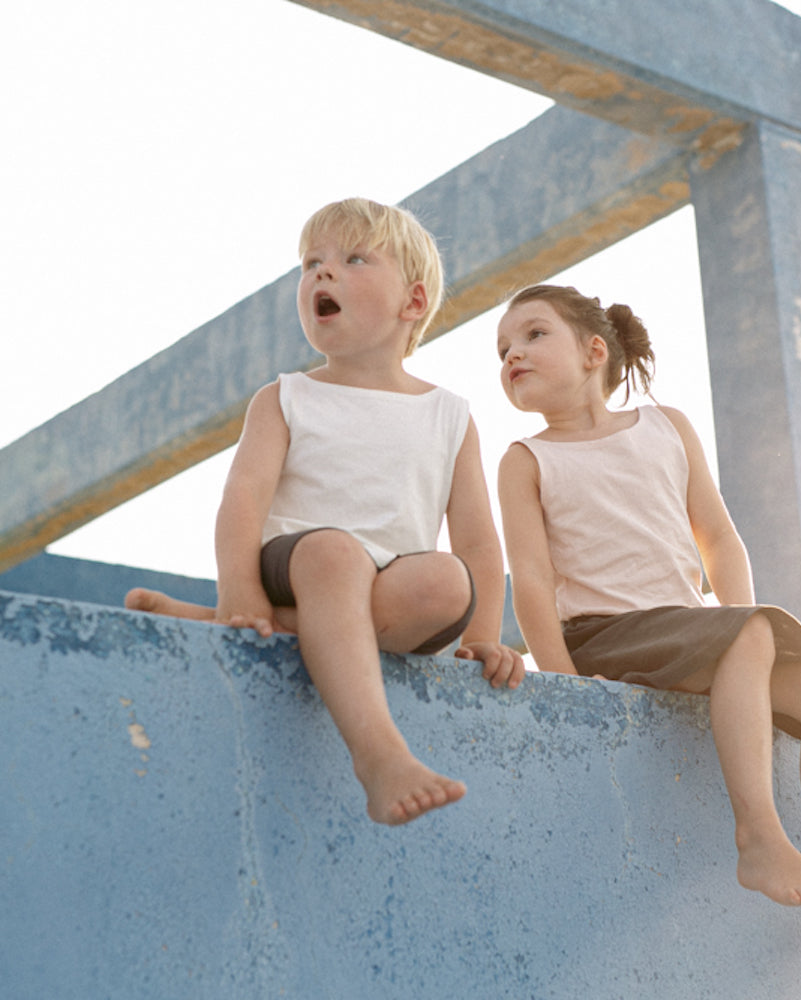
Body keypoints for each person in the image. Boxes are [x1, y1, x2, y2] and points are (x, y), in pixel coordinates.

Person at [495, 283, 801, 998]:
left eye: (531, 335)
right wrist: (562, 682)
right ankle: (759, 838)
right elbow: (529, 580)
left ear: (593, 351)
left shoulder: (666, 426)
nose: (511, 355)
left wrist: (746, 629)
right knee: (746, 636)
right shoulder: (526, 459)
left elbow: (718, 535)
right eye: (501, 350)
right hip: (602, 639)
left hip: (689, 633)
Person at [127, 197, 524, 827]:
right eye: (311, 263)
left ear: (413, 303)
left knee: (449, 580)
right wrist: (240, 592)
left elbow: (476, 540)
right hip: (300, 559)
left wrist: (484, 637)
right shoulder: (287, 397)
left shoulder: (449, 415)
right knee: (335, 554)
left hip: (389, 580)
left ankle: (247, 623)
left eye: (353, 259)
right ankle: (379, 756)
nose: (322, 273)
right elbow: (244, 499)